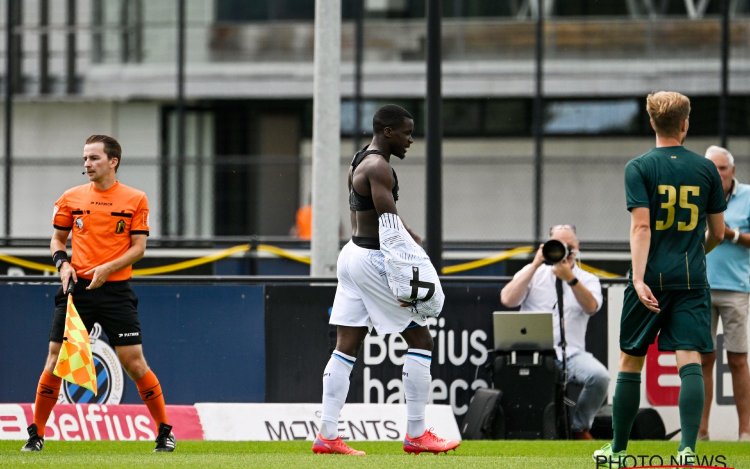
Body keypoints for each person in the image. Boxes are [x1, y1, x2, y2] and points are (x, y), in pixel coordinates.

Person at [311, 104, 459, 456]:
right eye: (407, 133)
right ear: (388, 131)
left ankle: (327, 436)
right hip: (371, 259)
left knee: (345, 346)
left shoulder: (362, 158)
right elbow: (388, 226)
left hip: (351, 255)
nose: (410, 140)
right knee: (421, 340)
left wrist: (411, 233)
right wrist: (411, 261)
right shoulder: (380, 167)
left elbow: (376, 215)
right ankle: (416, 434)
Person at [593, 91, 725, 467]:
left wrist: (637, 279)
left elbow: (641, 227)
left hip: (648, 278)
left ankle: (618, 452)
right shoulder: (706, 170)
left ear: (652, 123)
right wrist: (699, 253)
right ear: (685, 123)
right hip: (690, 279)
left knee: (631, 360)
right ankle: (687, 452)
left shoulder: (639, 167)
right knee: (690, 360)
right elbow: (717, 231)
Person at [22, 135, 175, 453]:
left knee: (134, 363)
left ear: (113, 161)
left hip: (116, 291)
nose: (87, 164)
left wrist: (108, 269)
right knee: (54, 359)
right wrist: (62, 264)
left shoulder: (135, 199)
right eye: (85, 159)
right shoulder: (71, 197)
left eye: (93, 158)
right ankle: (35, 435)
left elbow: (139, 248)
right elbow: (56, 240)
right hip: (76, 289)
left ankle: (164, 432)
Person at [500, 224, 609, 440]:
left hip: (572, 353)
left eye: (569, 246)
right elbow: (507, 299)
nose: (564, 251)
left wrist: (571, 278)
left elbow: (592, 307)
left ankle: (579, 427)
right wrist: (535, 263)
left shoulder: (587, 279)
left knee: (600, 377)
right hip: (534, 352)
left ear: (577, 248)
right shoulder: (534, 273)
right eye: (558, 245)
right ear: (546, 246)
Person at [699, 145, 750, 441]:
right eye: (712, 168)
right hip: (701, 288)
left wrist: (730, 234)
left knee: (739, 360)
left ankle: (745, 432)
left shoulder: (747, 196)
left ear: (732, 170)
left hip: (736, 289)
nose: (717, 174)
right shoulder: (697, 195)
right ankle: (701, 432)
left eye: (722, 168)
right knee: (704, 359)